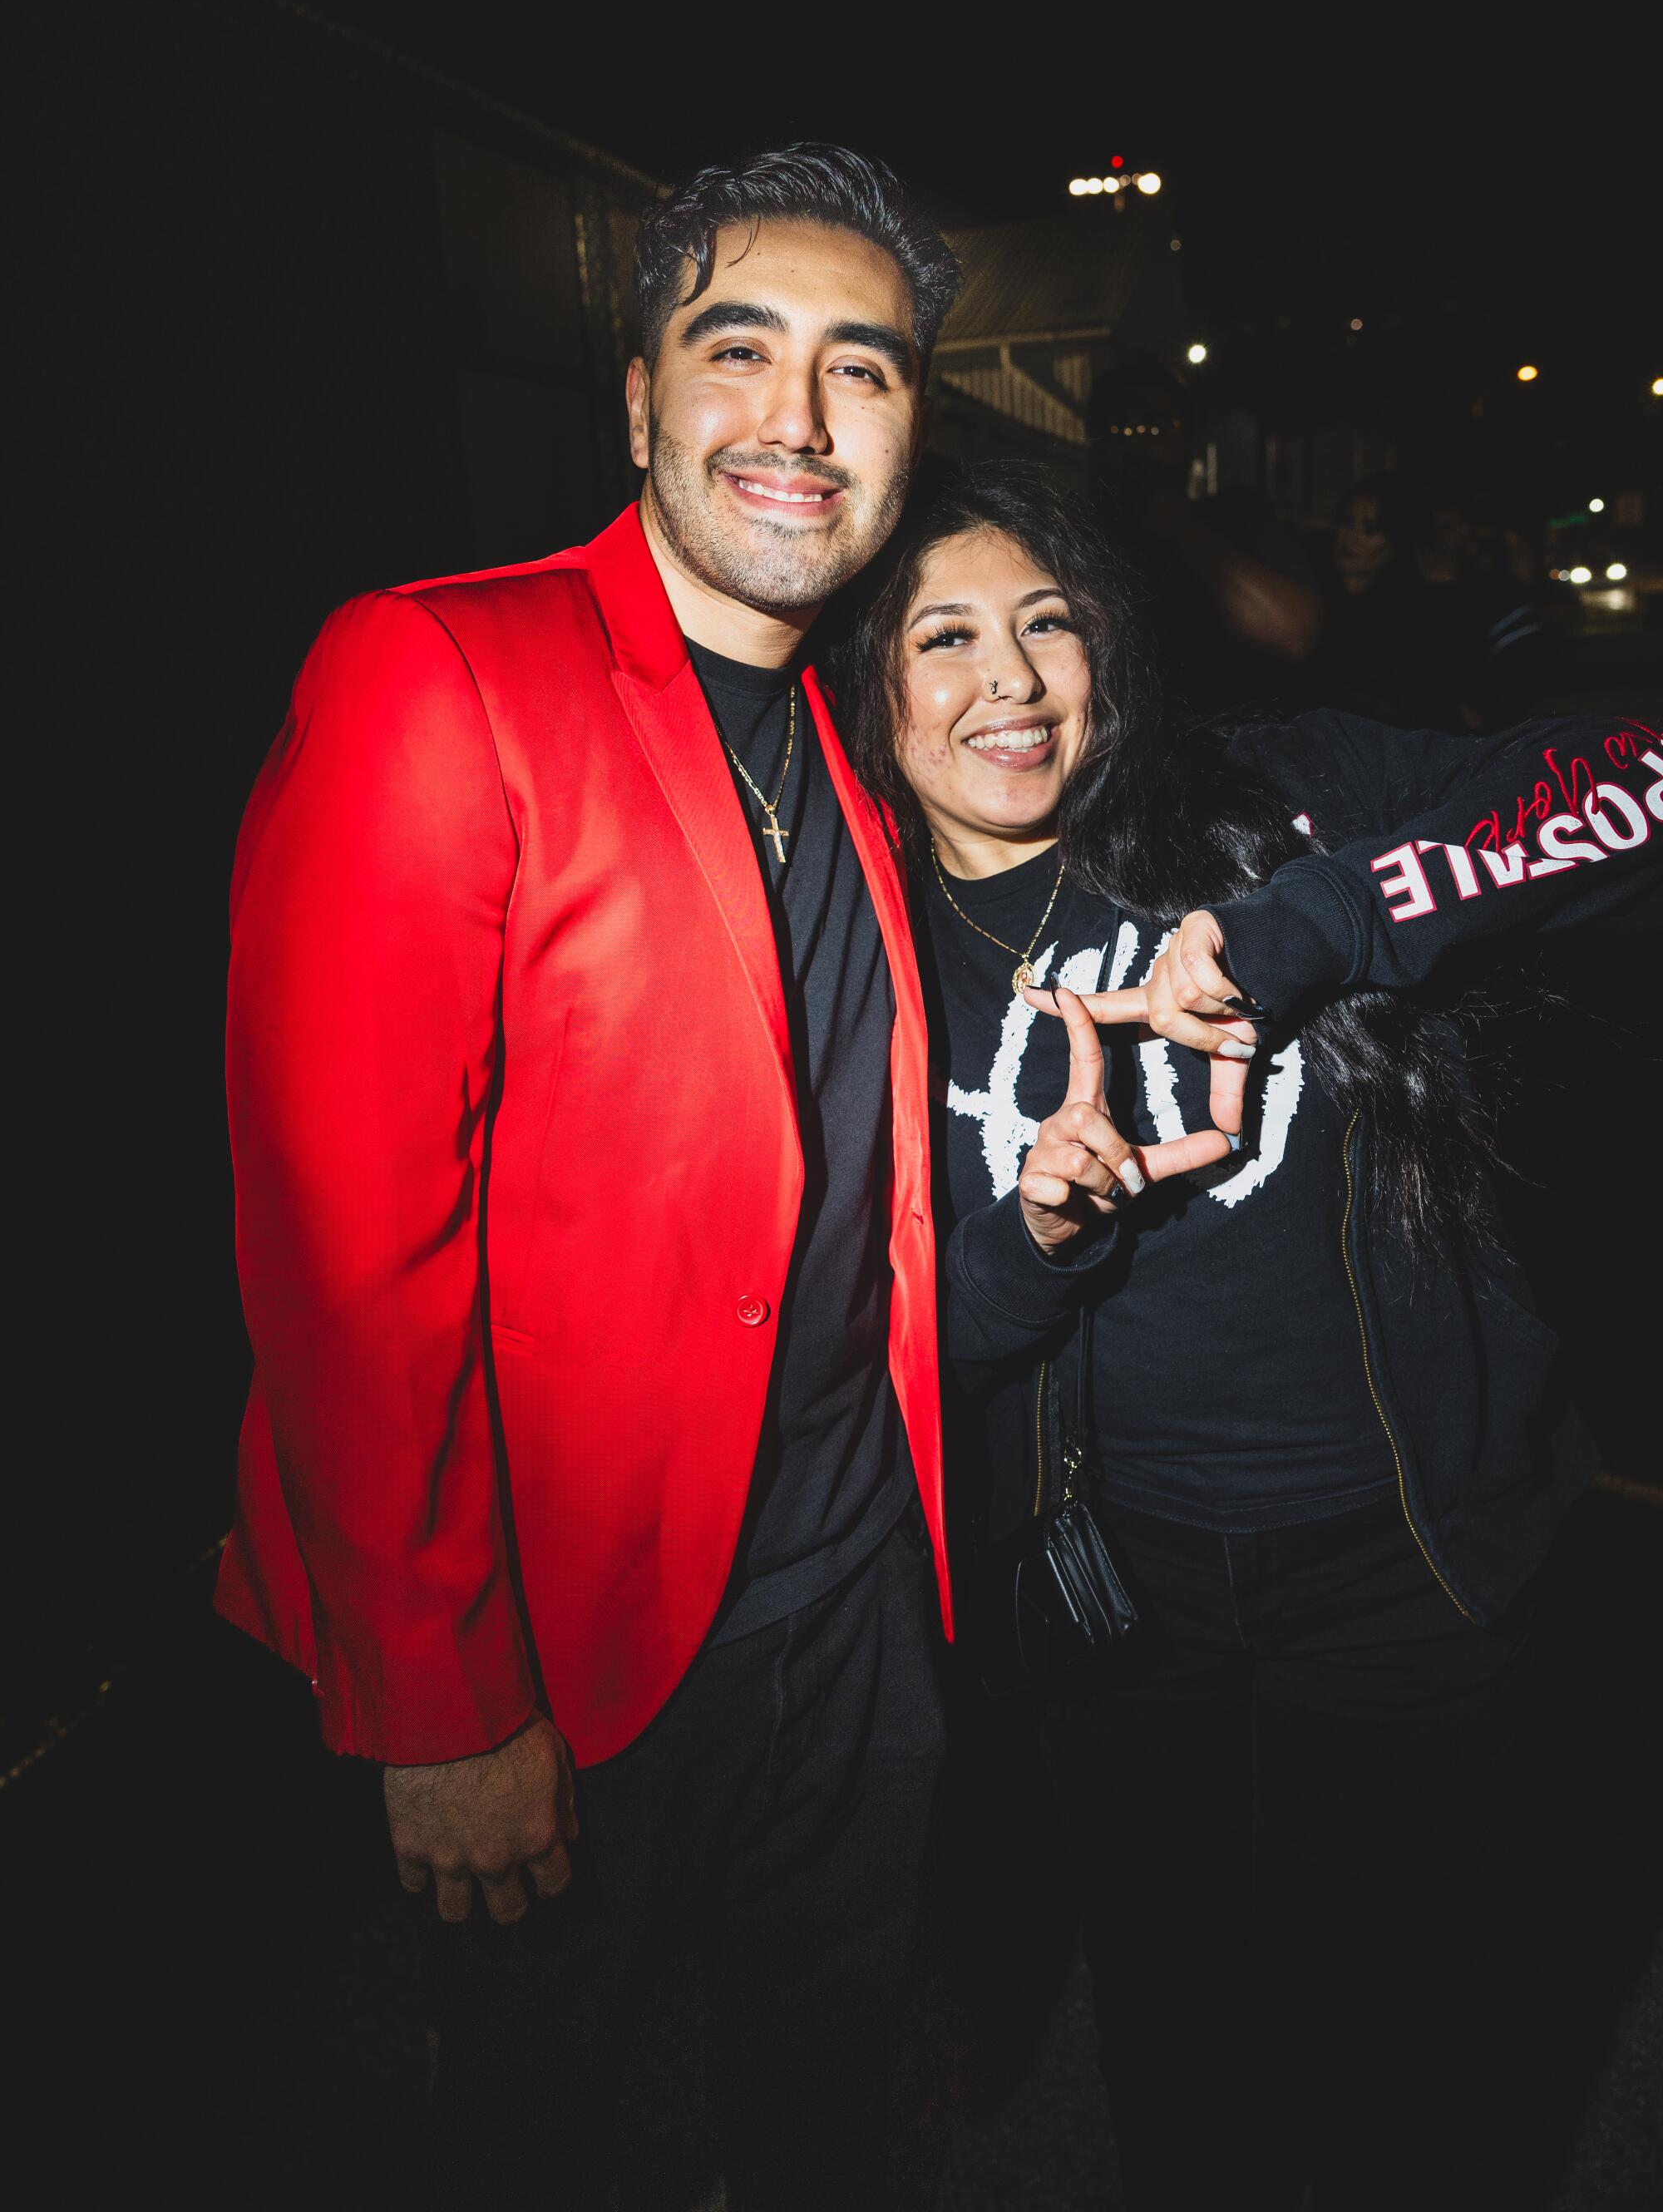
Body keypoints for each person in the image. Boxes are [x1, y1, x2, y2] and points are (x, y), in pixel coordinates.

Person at [215, 146, 963, 2210]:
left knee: (821, 2112)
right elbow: (342, 1246)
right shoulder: (434, 667)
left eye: (862, 369)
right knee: (520, 2138)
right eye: (740, 353)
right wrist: (440, 1701)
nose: (798, 422)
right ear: (639, 404)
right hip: (563, 1644)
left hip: (852, 1604)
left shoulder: (853, 740)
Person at [833, 457, 1661, 2211]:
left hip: (1400, 1558)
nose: (1014, 683)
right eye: (948, 638)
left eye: (1048, 624)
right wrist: (1043, 1229)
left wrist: (1316, 926)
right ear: (869, 685)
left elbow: (1634, 781)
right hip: (1109, 1588)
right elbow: (914, 1344)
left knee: (1373, 2029)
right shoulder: (862, 950)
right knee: (1168, 2016)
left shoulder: (1270, 799)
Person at [1085, 357, 1321, 709]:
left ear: (1190, 440)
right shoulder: (1084, 542)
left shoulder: (1240, 520)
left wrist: (1182, 528)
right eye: (1120, 429)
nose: (1139, 443)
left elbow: (1294, 634)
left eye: (1156, 425)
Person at [1325, 472, 1545, 730]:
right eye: (1346, 522)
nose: (1351, 537)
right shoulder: (1314, 592)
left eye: (1371, 528)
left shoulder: (1419, 606)